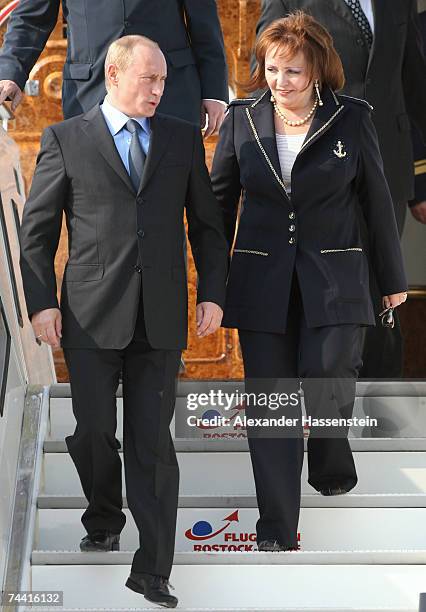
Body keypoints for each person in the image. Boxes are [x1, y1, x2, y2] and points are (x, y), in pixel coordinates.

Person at [19, 35, 228, 608]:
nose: (160, 89)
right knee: (92, 433)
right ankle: (105, 513)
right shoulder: (66, 138)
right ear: (114, 74)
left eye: (164, 80)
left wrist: (212, 294)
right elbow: (36, 234)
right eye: (149, 79)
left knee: (152, 444)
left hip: (159, 318)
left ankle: (154, 568)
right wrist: (42, 303)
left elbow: (207, 227)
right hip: (87, 317)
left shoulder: (182, 138)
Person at [210, 12, 407, 552]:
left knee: (329, 371)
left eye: (292, 71)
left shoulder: (351, 118)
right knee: (271, 405)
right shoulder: (242, 119)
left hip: (336, 276)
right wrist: (210, 281)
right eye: (272, 69)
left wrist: (392, 277)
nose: (279, 81)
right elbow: (219, 203)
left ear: (317, 69)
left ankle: (327, 448)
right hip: (260, 279)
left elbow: (377, 203)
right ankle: (276, 527)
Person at [252, 0, 426, 377]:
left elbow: (414, 85)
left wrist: (422, 178)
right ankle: (322, 395)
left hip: (388, 163)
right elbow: (266, 78)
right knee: (327, 280)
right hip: (320, 164)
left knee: (383, 282)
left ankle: (379, 400)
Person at [0, 0, 228, 135]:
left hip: (171, 93)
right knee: (92, 200)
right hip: (91, 92)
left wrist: (214, 92)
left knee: (170, 201)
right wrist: (10, 74)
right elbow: (31, 21)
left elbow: (204, 19)